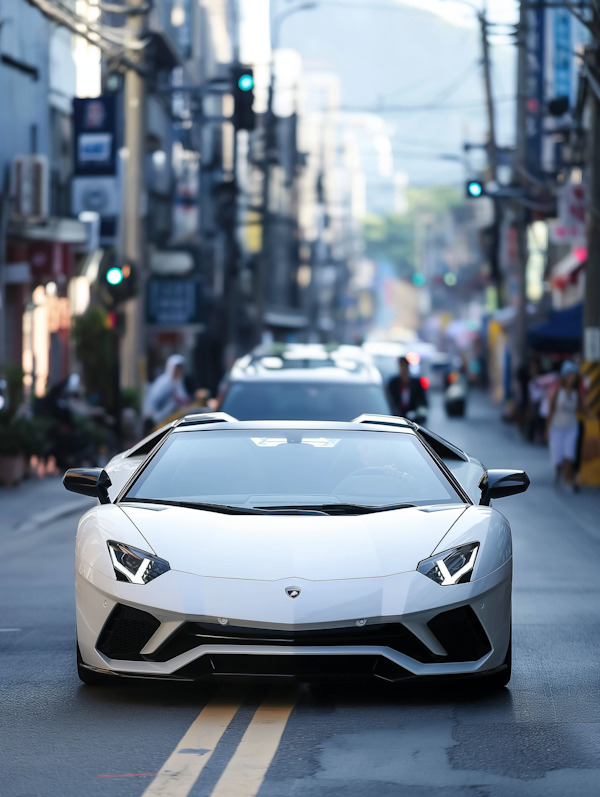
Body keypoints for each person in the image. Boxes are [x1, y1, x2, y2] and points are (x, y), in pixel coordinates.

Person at [546, 361, 586, 490]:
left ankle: (567, 478)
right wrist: (547, 429)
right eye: (570, 375)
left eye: (574, 376)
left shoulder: (577, 393)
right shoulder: (557, 392)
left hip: (571, 427)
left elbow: (584, 409)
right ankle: (559, 471)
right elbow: (551, 411)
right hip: (557, 427)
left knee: (569, 453)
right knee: (558, 456)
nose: (572, 379)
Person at [142, 354, 190, 434]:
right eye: (177, 368)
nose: (179, 370)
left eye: (180, 368)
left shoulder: (178, 382)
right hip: (156, 420)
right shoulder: (164, 382)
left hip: (170, 421)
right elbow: (154, 400)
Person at [387, 356, 428, 422]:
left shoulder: (416, 383)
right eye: (400, 366)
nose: (402, 368)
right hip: (396, 417)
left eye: (404, 366)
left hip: (413, 418)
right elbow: (390, 400)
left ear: (407, 366)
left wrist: (418, 412)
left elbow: (423, 401)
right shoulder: (393, 383)